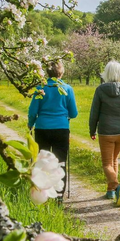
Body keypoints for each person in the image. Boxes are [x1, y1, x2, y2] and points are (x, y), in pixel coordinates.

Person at [88, 60, 120, 201]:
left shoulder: (100, 90)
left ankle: (117, 186)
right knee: (114, 160)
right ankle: (111, 191)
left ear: (106, 73)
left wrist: (92, 130)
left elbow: (94, 113)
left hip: (106, 132)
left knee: (106, 164)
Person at [28, 60, 78, 200]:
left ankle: (41, 193)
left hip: (42, 128)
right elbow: (73, 113)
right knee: (60, 161)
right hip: (61, 128)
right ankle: (59, 196)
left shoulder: (41, 88)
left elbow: (33, 111)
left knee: (41, 162)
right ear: (61, 72)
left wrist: (30, 124)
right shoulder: (67, 89)